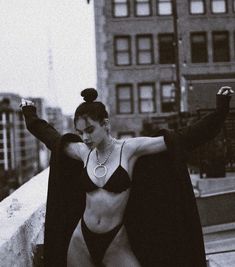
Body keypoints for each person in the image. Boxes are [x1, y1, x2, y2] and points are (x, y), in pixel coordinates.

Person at [21, 86, 234, 267]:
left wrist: (221, 110)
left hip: (116, 242)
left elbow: (182, 139)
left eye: (90, 130)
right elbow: (52, 139)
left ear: (106, 124)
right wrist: (30, 115)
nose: (85, 137)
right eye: (80, 132)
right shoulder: (83, 153)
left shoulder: (130, 149)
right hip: (81, 239)